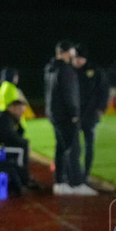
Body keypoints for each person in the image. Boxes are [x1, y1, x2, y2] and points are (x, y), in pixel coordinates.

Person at [44, 40, 96, 196]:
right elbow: (69, 93)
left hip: (54, 115)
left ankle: (60, 183)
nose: (74, 56)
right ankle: (77, 183)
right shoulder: (66, 69)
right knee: (74, 149)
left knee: (60, 149)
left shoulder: (50, 68)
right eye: (72, 52)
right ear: (66, 53)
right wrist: (74, 114)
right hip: (66, 116)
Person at [0, 98, 35, 192]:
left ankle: (23, 178)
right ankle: (24, 179)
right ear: (11, 108)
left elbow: (13, 137)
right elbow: (13, 139)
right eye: (19, 110)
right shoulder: (5, 119)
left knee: (22, 145)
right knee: (22, 148)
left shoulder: (5, 117)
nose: (21, 113)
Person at [72, 45, 111, 178]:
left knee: (89, 145)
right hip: (73, 115)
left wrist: (101, 108)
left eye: (79, 58)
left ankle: (86, 173)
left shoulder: (96, 71)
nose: (76, 61)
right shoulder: (69, 71)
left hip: (90, 115)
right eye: (75, 57)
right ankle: (73, 172)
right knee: (73, 146)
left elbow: (104, 91)